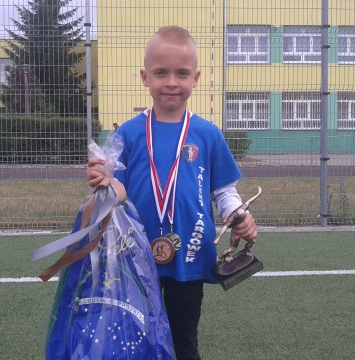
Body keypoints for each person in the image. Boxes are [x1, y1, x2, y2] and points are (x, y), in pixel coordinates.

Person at [86, 25, 257, 360]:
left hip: (189, 258)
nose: (171, 82)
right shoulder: (129, 134)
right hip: (133, 256)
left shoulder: (207, 135)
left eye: (181, 73)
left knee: (183, 341)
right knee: (135, 338)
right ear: (145, 77)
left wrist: (238, 215)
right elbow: (115, 195)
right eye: (161, 72)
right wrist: (102, 181)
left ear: (196, 78)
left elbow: (224, 190)